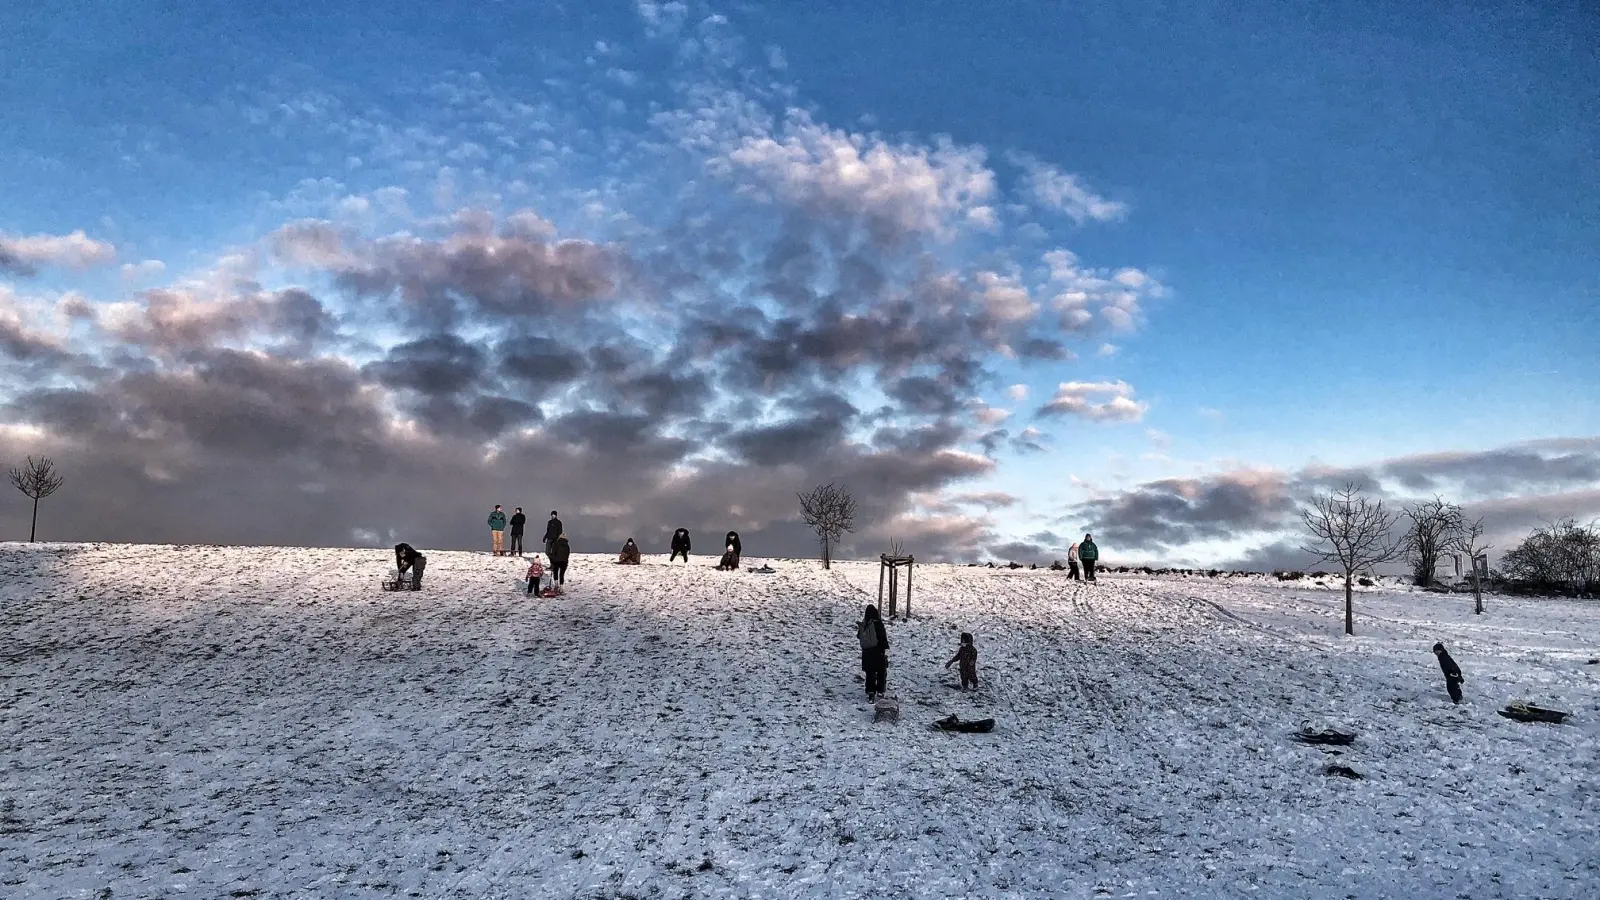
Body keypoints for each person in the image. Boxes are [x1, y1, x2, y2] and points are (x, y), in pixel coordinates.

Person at [857, 604, 889, 701]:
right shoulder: (878, 623)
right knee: (881, 672)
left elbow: (859, 636)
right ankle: (880, 691)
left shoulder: (865, 624)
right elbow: (883, 637)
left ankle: (871, 692)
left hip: (867, 653)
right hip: (878, 652)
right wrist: (886, 649)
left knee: (870, 673)